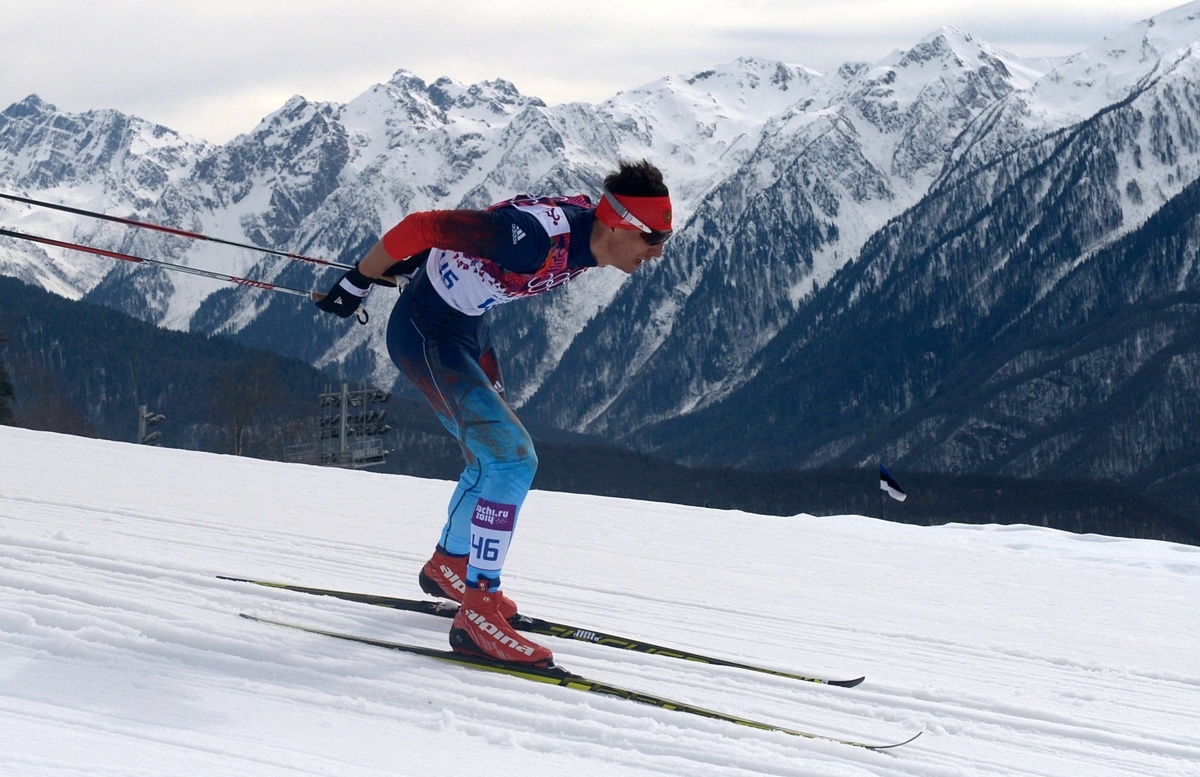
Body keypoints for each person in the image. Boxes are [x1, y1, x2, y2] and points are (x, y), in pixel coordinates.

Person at [315, 159, 672, 666]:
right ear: (616, 224)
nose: (658, 252)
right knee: (512, 459)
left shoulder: (589, 228)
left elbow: (469, 235)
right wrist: (357, 282)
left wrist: (428, 263)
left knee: (492, 457)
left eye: (665, 239)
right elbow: (422, 225)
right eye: (652, 238)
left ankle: (449, 565)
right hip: (428, 335)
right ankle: (477, 613)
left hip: (466, 328)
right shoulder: (531, 241)